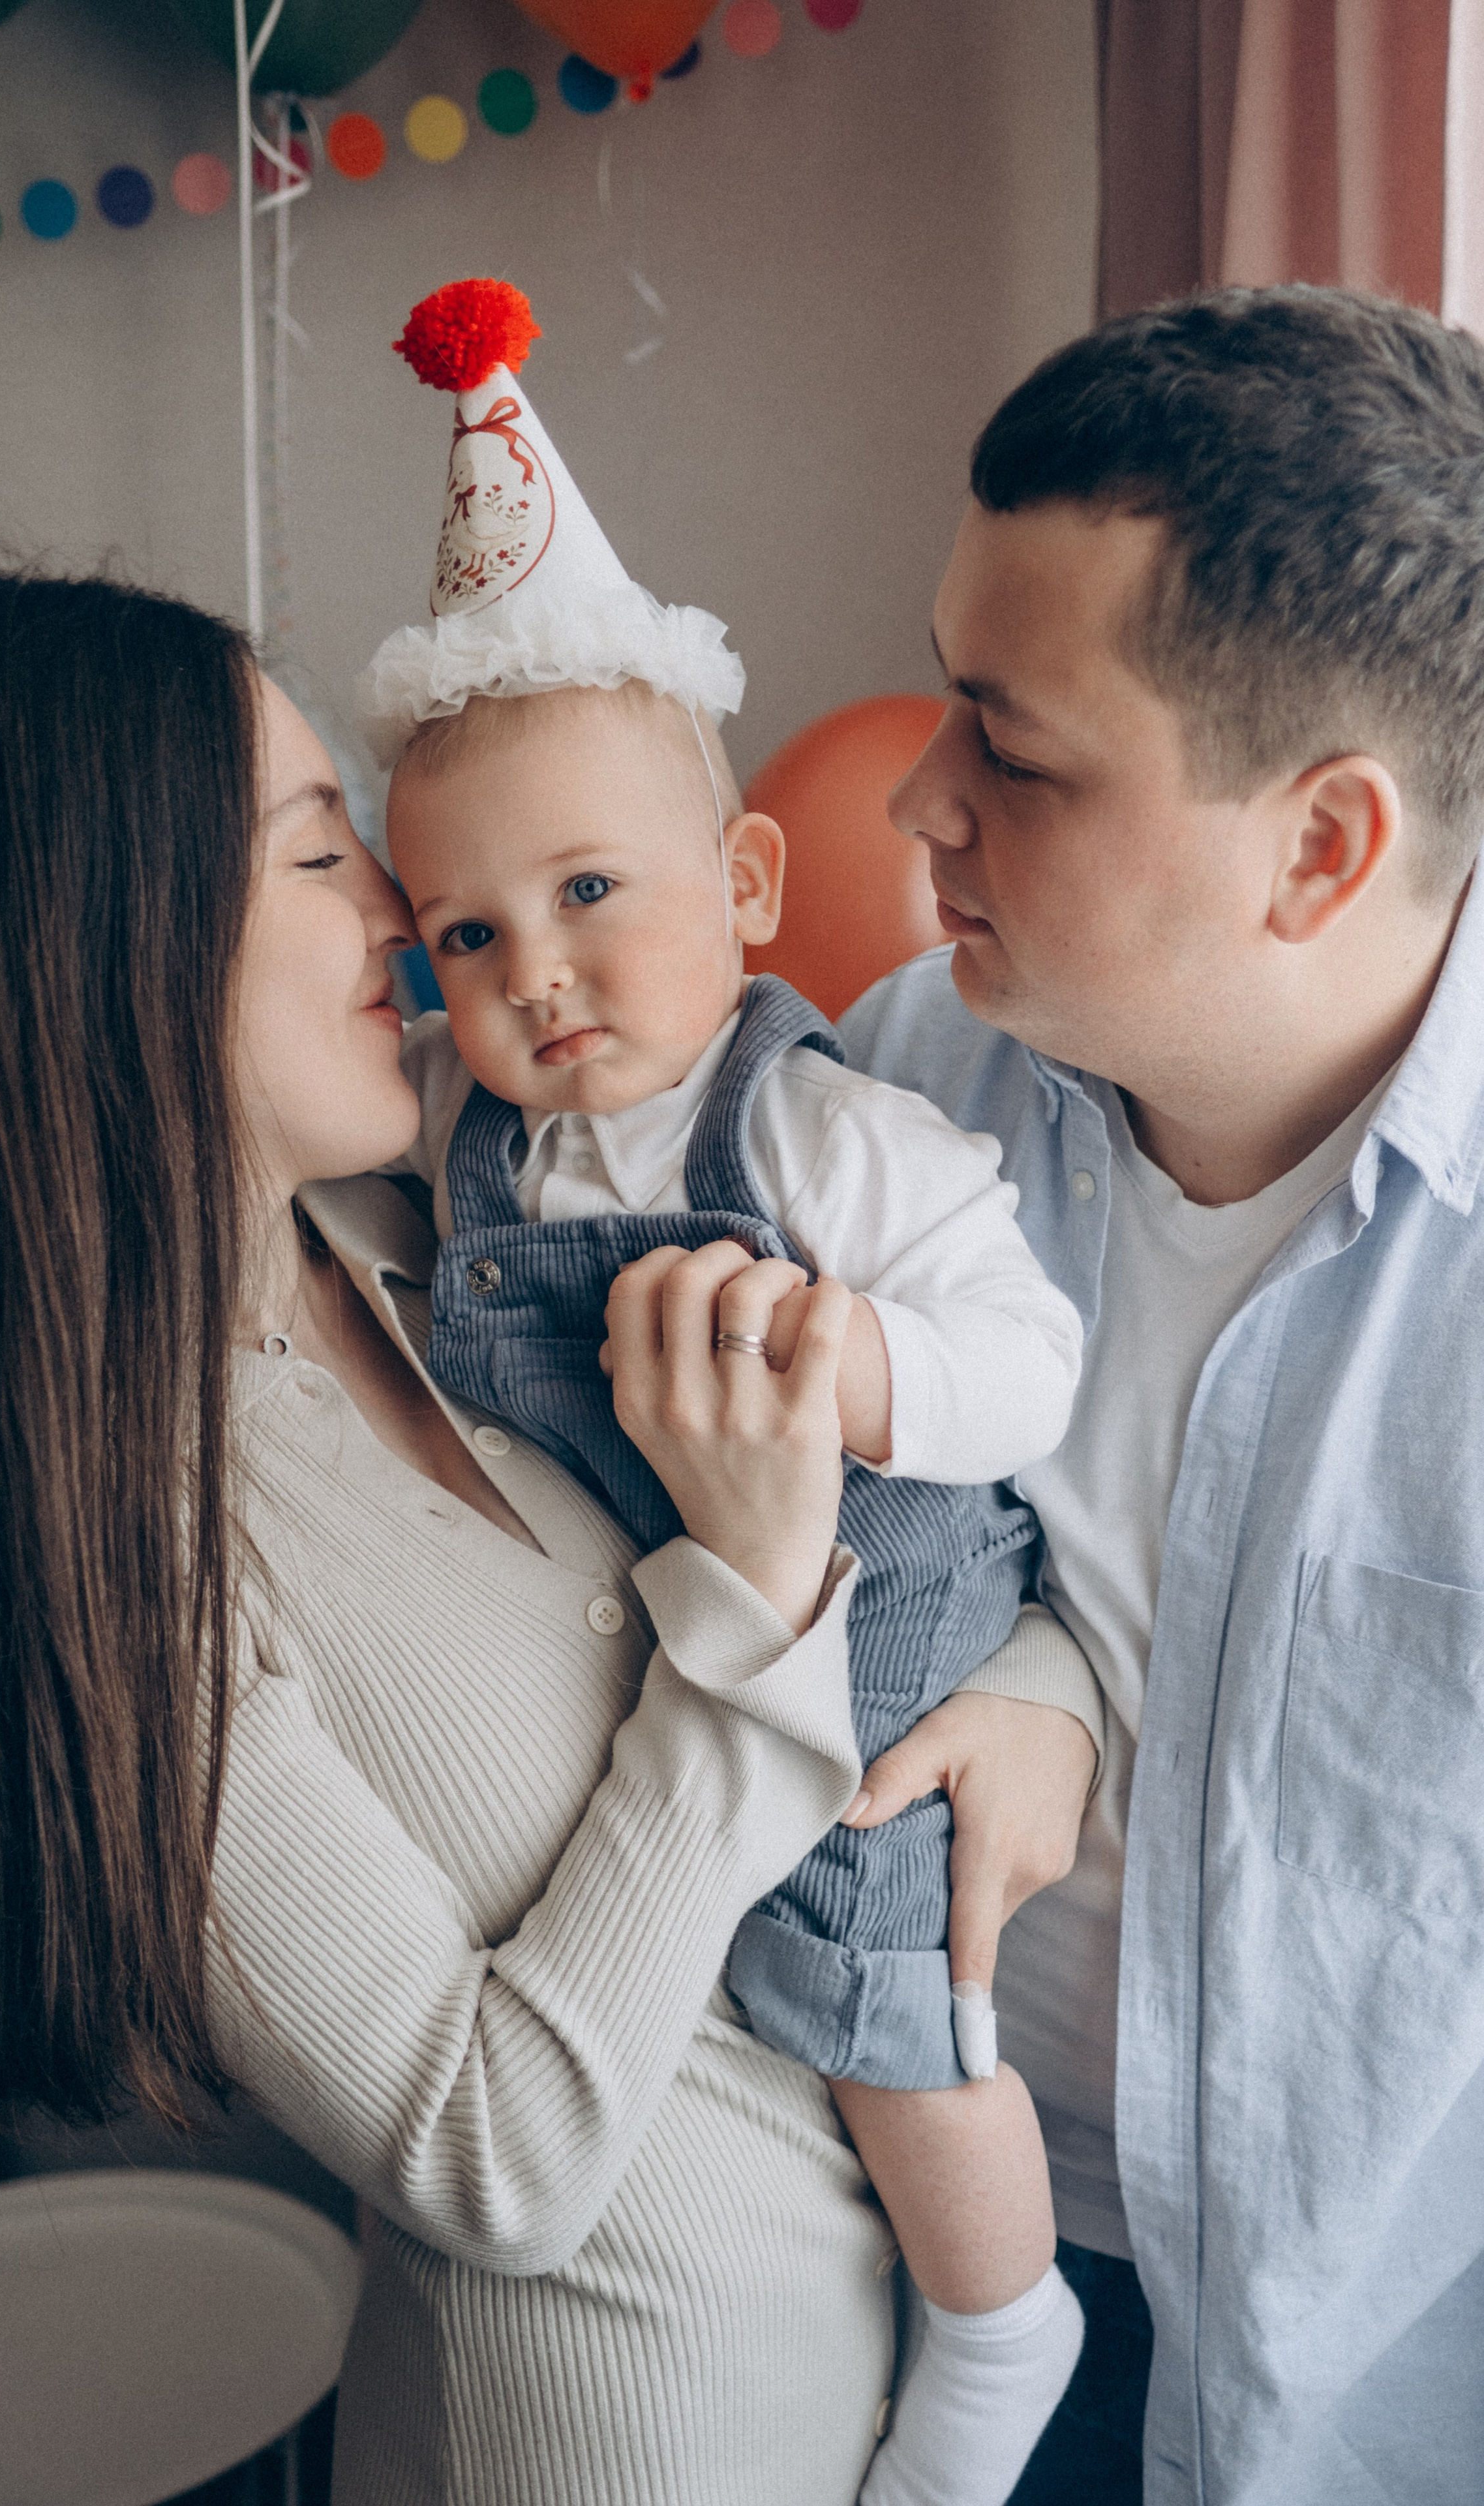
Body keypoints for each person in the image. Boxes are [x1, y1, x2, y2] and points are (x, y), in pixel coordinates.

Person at [0, 568, 1098, 2506]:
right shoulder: (109, 1550)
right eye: (319, 850)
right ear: (94, 941)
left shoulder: (437, 1234)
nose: (402, 917)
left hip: (871, 2378)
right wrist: (755, 1600)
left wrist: (1038, 1693)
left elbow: (928, 1515)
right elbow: (486, 2153)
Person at [367, 275, 1099, 2506]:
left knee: (878, 1990)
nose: (537, 973)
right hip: (701, 1617)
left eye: (592, 890)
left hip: (877, 1616)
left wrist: (867, 1363)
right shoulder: (469, 1137)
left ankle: (1003, 2323)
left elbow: (1031, 1360)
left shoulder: (823, 1126)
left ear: (749, 881)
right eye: (467, 934)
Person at [840, 284, 1484, 2505]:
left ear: (1318, 847)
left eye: (1013, 753)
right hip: (904, 2265)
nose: (917, 797)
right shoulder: (895, 1081)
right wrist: (1038, 1661)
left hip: (1354, 2390)